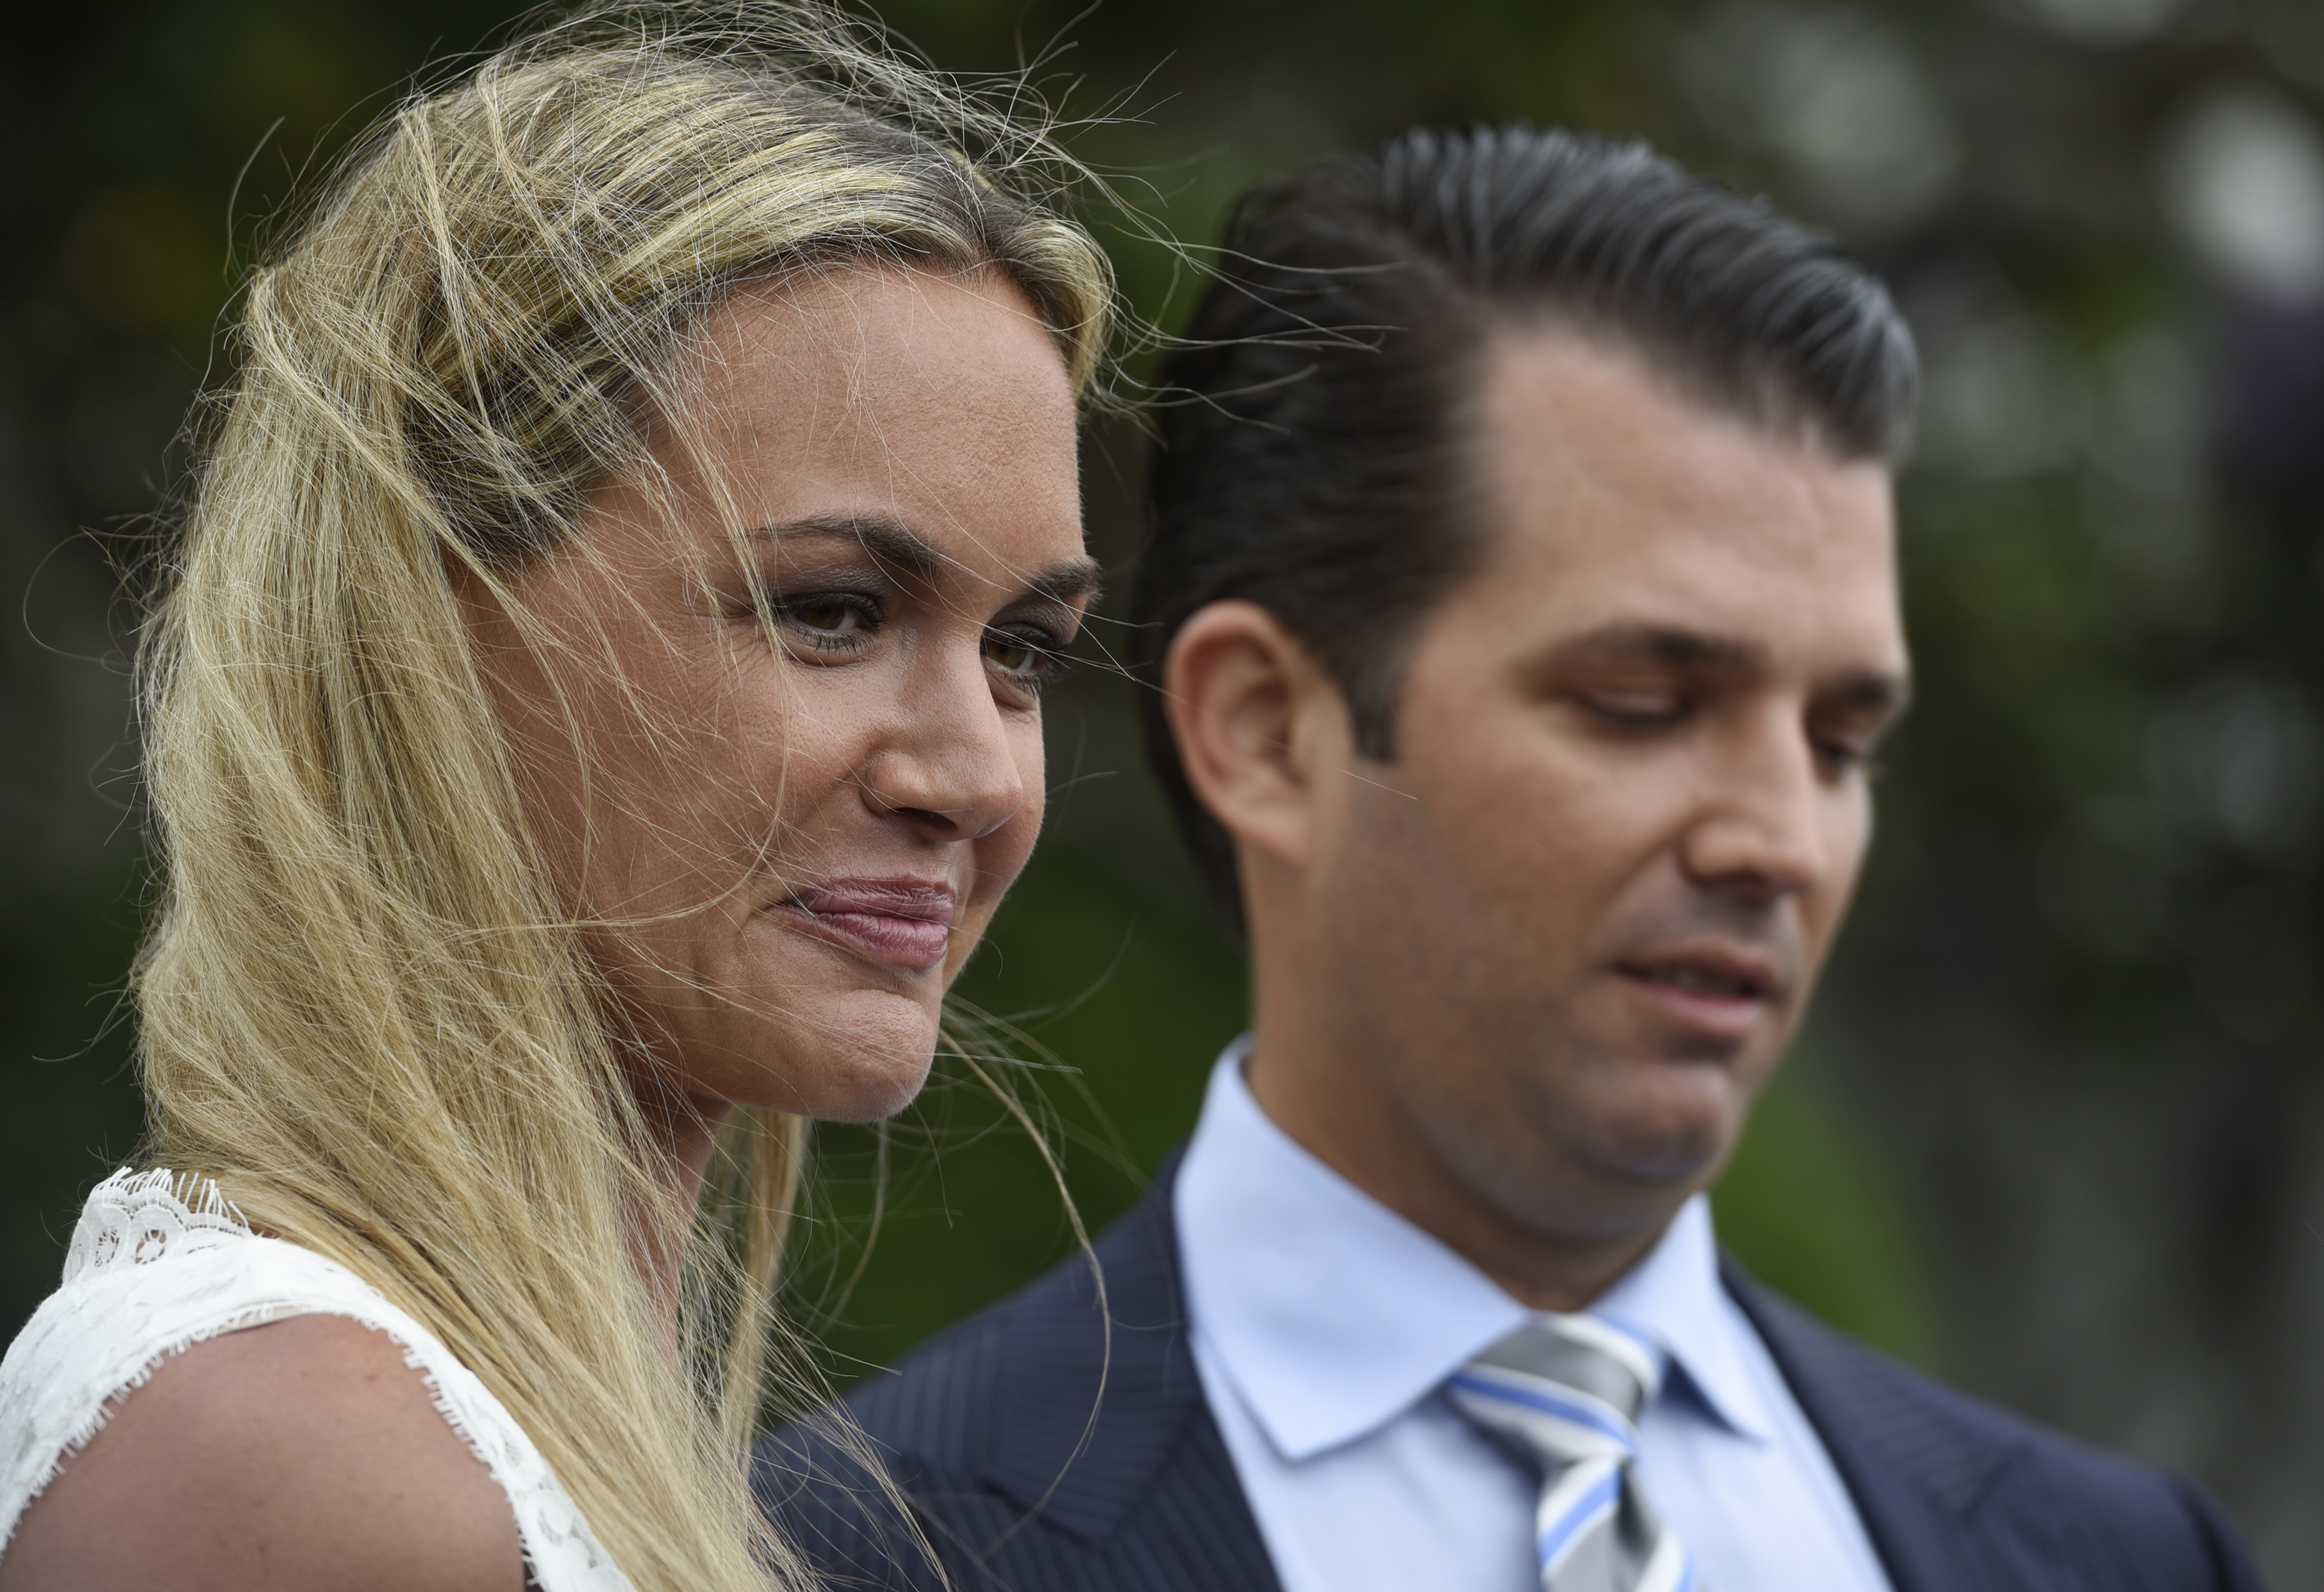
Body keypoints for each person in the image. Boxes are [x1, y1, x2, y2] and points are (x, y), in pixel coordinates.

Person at [760, 126, 2265, 1591]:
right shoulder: (821, 1558)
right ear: (1269, 730)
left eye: (1839, 743)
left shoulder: (2119, 1557)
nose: (1779, 842)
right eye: (1641, 706)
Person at [0, 0, 1116, 1592]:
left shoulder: (415, 1418)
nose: (972, 773)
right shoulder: (305, 1455)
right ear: (421, 611)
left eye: (1024, 649)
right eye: (833, 609)